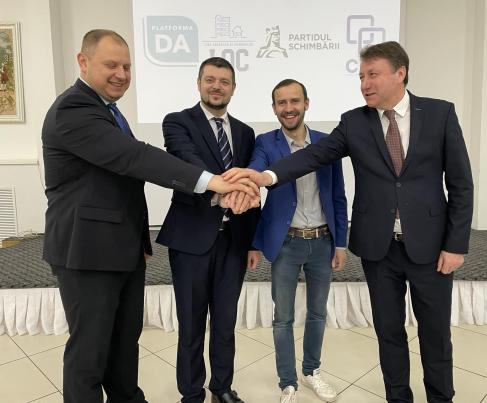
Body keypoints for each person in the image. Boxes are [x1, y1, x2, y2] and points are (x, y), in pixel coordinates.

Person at [224, 41, 474, 403]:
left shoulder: (440, 114)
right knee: (389, 333)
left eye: (373, 74)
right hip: (379, 250)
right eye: (361, 76)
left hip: (432, 247)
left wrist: (456, 244)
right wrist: (266, 177)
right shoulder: (354, 122)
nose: (364, 84)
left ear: (400, 73)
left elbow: (461, 184)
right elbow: (313, 155)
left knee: (435, 334)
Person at [42, 30, 258, 403]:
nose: (121, 74)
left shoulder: (108, 111)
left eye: (127, 66)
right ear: (83, 62)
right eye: (111, 65)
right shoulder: (73, 109)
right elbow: (135, 158)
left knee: (124, 344)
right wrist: (213, 182)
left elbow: (123, 185)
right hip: (87, 252)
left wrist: (139, 240)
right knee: (90, 354)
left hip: (122, 250)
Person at [156, 57, 260, 403]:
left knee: (226, 324)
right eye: (210, 80)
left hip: (234, 241)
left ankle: (221, 388)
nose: (217, 86)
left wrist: (253, 242)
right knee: (191, 323)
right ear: (199, 83)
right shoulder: (177, 122)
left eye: (224, 81)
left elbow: (251, 183)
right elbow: (188, 162)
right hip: (190, 239)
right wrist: (223, 190)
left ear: (233, 88)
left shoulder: (245, 133)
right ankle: (191, 394)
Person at [247, 79, 347, 403]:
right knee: (283, 318)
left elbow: (338, 195)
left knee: (318, 312)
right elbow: (256, 171)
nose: (288, 108)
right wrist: (250, 179)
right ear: (274, 107)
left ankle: (311, 371)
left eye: (294, 101)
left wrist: (341, 243)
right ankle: (287, 381)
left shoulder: (326, 143)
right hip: (286, 244)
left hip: (322, 241)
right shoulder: (265, 142)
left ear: (306, 103)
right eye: (282, 103)